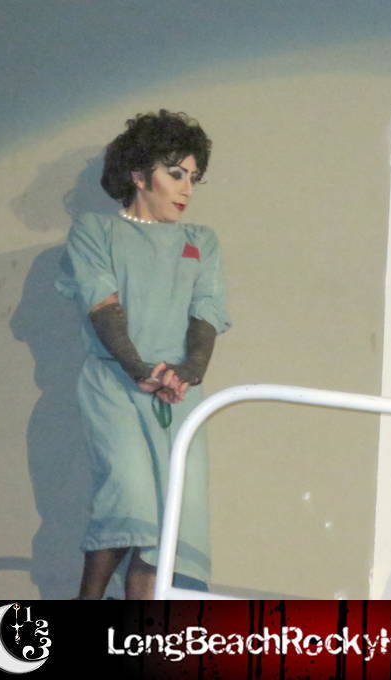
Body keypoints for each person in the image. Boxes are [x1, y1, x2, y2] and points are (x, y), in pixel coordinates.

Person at [56, 110, 231, 599]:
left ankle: (142, 637)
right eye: (175, 174)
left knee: (173, 520)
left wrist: (188, 371)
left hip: (177, 394)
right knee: (129, 499)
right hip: (116, 383)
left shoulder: (201, 241)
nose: (187, 188)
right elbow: (101, 302)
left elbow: (207, 310)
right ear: (139, 174)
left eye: (193, 177)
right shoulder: (95, 230)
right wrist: (139, 370)